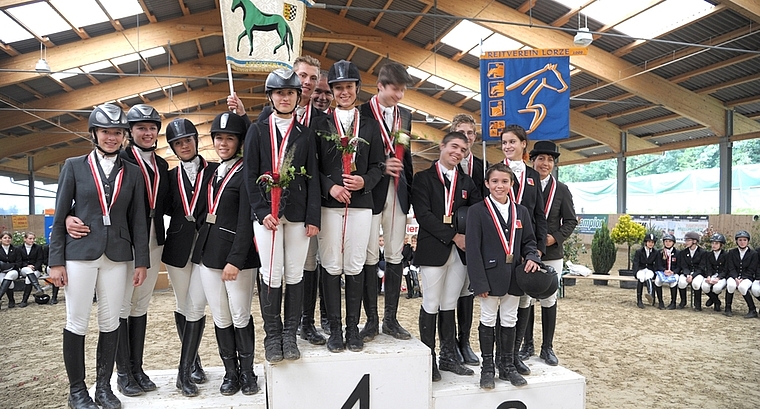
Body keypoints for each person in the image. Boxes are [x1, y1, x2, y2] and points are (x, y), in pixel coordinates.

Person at [48, 103, 149, 409]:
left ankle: (104, 387)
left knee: (110, 321)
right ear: (94, 133)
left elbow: (138, 220)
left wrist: (141, 259)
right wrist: (56, 260)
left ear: (123, 136)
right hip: (80, 254)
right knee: (77, 321)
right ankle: (77, 391)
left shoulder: (132, 172)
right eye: (106, 132)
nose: (112, 138)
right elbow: (61, 212)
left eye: (117, 133)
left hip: (117, 255)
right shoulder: (74, 166)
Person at [245, 68, 320, 363]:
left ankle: (291, 334)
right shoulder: (257, 130)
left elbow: (312, 177)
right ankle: (272, 336)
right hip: (268, 216)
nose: (285, 98)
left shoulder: (305, 133)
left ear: (297, 97)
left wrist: (313, 217)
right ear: (271, 97)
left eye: (289, 93)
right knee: (271, 273)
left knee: (294, 273)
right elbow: (250, 174)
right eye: (279, 93)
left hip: (298, 213)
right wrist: (261, 211)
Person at [313, 60, 384, 353]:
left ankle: (353, 328)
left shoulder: (369, 124)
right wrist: (330, 185)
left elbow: (380, 165)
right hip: (330, 205)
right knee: (331, 266)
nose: (344, 92)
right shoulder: (319, 123)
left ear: (357, 88)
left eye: (349, 87)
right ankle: (334, 329)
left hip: (360, 204)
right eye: (338, 87)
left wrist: (363, 181)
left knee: (355, 266)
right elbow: (311, 165)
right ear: (332, 90)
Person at [192, 112, 260, 396]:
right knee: (221, 316)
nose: (222, 143)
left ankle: (248, 373)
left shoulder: (246, 172)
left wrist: (235, 258)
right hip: (209, 254)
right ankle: (231, 373)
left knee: (240, 314)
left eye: (229, 138)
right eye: (218, 138)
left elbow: (246, 219)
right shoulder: (211, 172)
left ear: (239, 142)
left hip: (238, 259)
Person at [412, 131, 482, 381]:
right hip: (434, 247)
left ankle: (449, 357)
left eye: (463, 150)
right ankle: (428, 358)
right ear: (442, 146)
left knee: (450, 303)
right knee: (431, 302)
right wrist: (453, 235)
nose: (458, 152)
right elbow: (423, 214)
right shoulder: (423, 178)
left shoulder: (468, 182)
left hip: (460, 252)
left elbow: (475, 213)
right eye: (454, 146)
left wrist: (465, 239)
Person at [466, 163, 541, 389]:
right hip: (488, 277)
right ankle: (487, 367)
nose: (500, 186)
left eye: (505, 181)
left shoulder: (522, 212)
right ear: (487, 184)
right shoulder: (477, 211)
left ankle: (507, 365)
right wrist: (478, 281)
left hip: (514, 277)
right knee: (488, 318)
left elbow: (529, 241)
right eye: (495, 181)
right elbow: (473, 248)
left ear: (511, 184)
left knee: (510, 319)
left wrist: (531, 257)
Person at [358, 61, 415, 343]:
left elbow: (408, 156)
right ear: (380, 86)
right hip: (370, 192)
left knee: (395, 254)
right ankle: (371, 320)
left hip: (398, 191)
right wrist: (381, 166)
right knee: (370, 255)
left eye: (403, 90)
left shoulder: (405, 115)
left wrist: (411, 193)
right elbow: (357, 157)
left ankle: (391, 319)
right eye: (395, 89)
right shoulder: (361, 113)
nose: (400, 96)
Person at [162, 118, 218, 396]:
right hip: (178, 249)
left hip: (207, 248)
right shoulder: (169, 177)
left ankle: (183, 374)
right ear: (172, 147)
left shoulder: (216, 171)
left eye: (187, 140)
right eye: (178, 143)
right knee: (183, 305)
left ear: (196, 141)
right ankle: (193, 361)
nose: (184, 146)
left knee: (196, 305)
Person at [522, 141, 577, 366]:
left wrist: (555, 236)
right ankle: (527, 344)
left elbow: (571, 220)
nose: (545, 164)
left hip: (552, 252)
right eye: (541, 159)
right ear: (532, 160)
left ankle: (547, 347)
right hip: (526, 249)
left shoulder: (561, 189)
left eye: (550, 160)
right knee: (525, 298)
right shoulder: (523, 184)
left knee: (548, 298)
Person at [500, 124, 547, 378]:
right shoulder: (496, 172)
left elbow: (539, 215)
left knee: (524, 301)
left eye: (512, 142)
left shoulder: (532, 175)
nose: (508, 146)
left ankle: (515, 354)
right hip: (501, 246)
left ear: (523, 144)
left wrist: (538, 250)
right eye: (505, 142)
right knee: (500, 302)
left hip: (526, 248)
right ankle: (499, 356)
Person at [450, 113, 485, 366]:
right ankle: (450, 344)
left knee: (467, 291)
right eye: (461, 132)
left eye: (470, 133)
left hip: (474, 236)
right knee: (448, 292)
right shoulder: (445, 162)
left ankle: (465, 342)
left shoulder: (483, 167)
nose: (466, 137)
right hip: (448, 235)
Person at [726, 230, 758, 318]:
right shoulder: (732, 252)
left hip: (747, 277)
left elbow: (752, 269)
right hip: (733, 276)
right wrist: (735, 277)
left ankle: (752, 309)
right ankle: (728, 308)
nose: (742, 242)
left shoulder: (753, 254)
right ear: (736, 241)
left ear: (748, 241)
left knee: (742, 287)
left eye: (744, 240)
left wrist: (743, 278)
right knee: (731, 285)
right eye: (740, 240)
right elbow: (730, 267)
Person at [17, 232, 46, 308]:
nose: (32, 240)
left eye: (33, 239)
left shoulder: (38, 248)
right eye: (30, 238)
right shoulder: (19, 248)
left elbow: (40, 260)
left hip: (36, 270)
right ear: (25, 239)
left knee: (28, 279)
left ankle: (24, 301)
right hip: (24, 269)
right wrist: (27, 266)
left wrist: (34, 267)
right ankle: (38, 288)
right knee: (27, 270)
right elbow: (19, 261)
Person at [678, 231, 706, 311]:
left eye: (688, 240)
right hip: (687, 272)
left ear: (694, 241)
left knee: (696, 284)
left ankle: (697, 304)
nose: (686, 242)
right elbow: (683, 265)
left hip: (698, 273)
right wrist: (687, 275)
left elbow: (701, 267)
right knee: (681, 282)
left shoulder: (702, 252)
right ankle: (683, 301)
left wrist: (693, 276)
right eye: (685, 240)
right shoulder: (683, 252)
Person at [702, 233, 728, 312]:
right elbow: (708, 267)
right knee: (705, 286)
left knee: (717, 288)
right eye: (712, 243)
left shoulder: (726, 255)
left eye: (716, 243)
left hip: (722, 276)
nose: (714, 245)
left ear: (721, 245)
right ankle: (716, 301)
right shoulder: (708, 255)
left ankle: (714, 300)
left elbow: (726, 269)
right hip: (712, 275)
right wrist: (709, 276)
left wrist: (718, 278)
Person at [655, 233, 681, 310]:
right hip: (663, 272)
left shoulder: (678, 253)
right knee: (657, 281)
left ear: (673, 243)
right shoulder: (660, 252)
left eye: (670, 241)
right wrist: (664, 270)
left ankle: (673, 302)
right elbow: (658, 265)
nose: (668, 243)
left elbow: (679, 266)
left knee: (673, 282)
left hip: (673, 272)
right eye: (666, 241)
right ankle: (660, 302)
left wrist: (673, 272)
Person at [632, 234, 658, 309]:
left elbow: (656, 264)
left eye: (652, 242)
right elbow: (636, 263)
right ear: (645, 242)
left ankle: (650, 294)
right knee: (641, 278)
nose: (651, 244)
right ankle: (639, 300)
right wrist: (635, 272)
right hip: (641, 269)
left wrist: (656, 273)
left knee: (648, 276)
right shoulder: (639, 251)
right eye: (649, 242)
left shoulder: (655, 252)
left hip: (650, 269)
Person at [0, 231, 22, 310]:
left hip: (14, 271)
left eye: (9, 238)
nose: (7, 239)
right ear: (1, 239)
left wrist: (8, 266)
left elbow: (19, 263)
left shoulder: (16, 250)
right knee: (3, 280)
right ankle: (11, 300)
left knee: (9, 276)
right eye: (5, 238)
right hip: (1, 271)